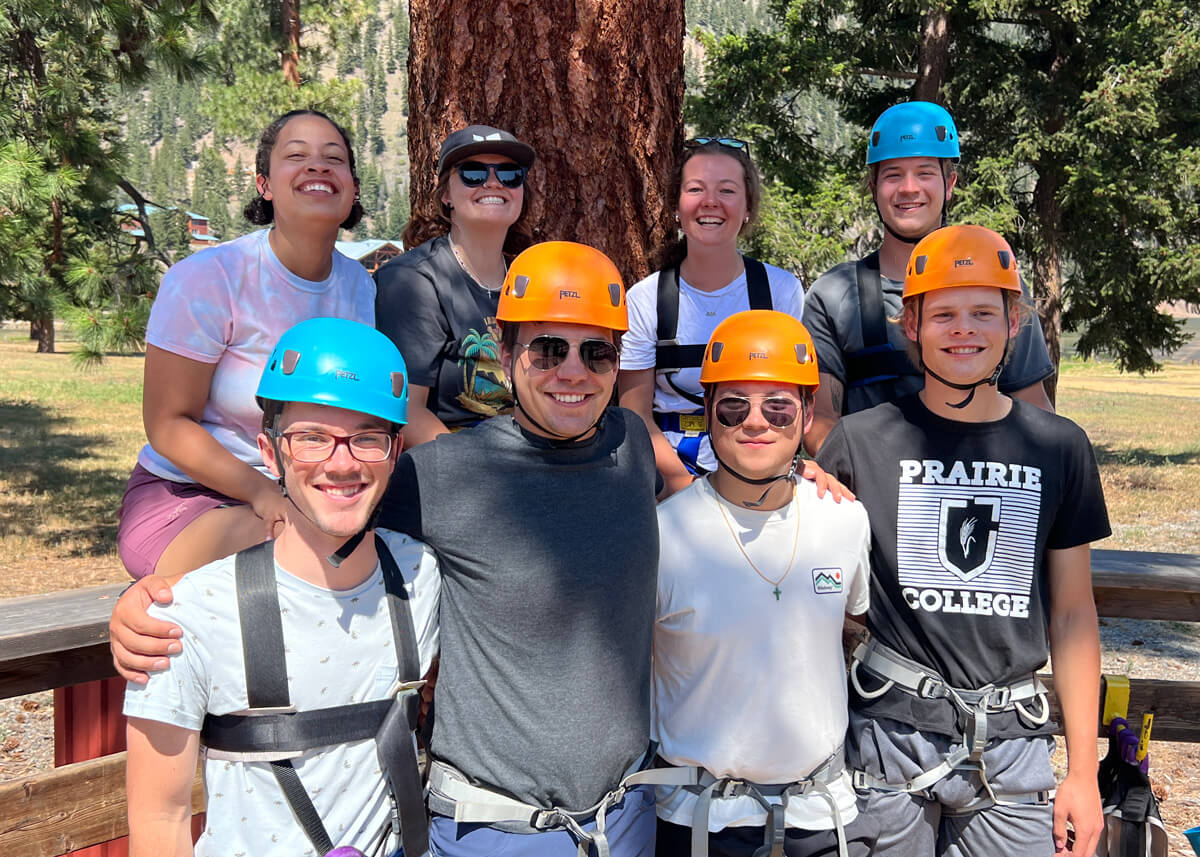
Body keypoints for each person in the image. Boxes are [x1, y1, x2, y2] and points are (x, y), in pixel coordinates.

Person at [113, 241, 661, 857]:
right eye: (548, 349)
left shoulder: (633, 446)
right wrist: (153, 597)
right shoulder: (440, 474)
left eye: (596, 352)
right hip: (497, 830)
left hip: (628, 816)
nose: (573, 371)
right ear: (505, 355)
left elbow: (721, 495)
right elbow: (318, 513)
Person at [816, 225, 1109, 857]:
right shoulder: (859, 443)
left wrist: (1083, 773)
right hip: (889, 743)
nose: (964, 330)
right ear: (911, 324)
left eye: (984, 312)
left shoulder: (1060, 447)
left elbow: (1073, 612)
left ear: (1014, 323)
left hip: (1011, 750)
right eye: (943, 313)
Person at [123, 317, 439, 857]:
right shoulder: (188, 619)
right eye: (311, 438)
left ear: (395, 451)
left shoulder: (421, 576)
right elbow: (161, 817)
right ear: (270, 453)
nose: (341, 464)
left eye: (367, 438)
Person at [651, 310, 876, 857]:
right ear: (707, 412)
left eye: (777, 406)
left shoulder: (844, 520)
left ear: (805, 411)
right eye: (733, 406)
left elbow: (855, 624)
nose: (756, 422)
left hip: (820, 816)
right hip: (696, 819)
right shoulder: (663, 534)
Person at [117, 109, 376, 579]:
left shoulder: (360, 285)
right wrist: (262, 493)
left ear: (353, 188)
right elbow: (167, 425)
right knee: (316, 558)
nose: (317, 166)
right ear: (265, 185)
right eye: (296, 156)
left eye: (333, 158)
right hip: (186, 498)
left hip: (308, 495)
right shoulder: (209, 278)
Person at [802, 101, 1054, 455]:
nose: (908, 188)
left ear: (949, 184)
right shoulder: (833, 297)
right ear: (873, 187)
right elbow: (820, 418)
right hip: (873, 497)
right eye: (892, 175)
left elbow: (1032, 405)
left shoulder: (997, 284)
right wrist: (877, 480)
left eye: (924, 173)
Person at [619, 137, 805, 497]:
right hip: (668, 474)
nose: (710, 202)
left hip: (759, 468)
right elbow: (635, 413)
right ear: (676, 206)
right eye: (696, 189)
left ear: (748, 207)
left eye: (727, 190)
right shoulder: (645, 299)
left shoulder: (780, 292)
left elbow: (791, 403)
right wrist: (683, 489)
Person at [374, 124, 536, 444]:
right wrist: (479, 471)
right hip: (454, 465)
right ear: (446, 195)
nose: (493, 182)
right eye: (473, 173)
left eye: (509, 174)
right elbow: (407, 412)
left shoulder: (530, 278)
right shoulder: (413, 281)